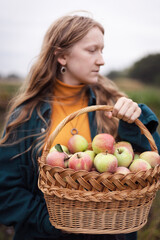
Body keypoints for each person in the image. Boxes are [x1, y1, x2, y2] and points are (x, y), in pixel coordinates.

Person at [0, 13, 160, 240]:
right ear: (62, 56)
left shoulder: (114, 106)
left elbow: (147, 167)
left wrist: (133, 125)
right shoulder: (27, 117)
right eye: (92, 50)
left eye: (102, 50)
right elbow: (6, 191)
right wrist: (53, 221)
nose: (101, 60)